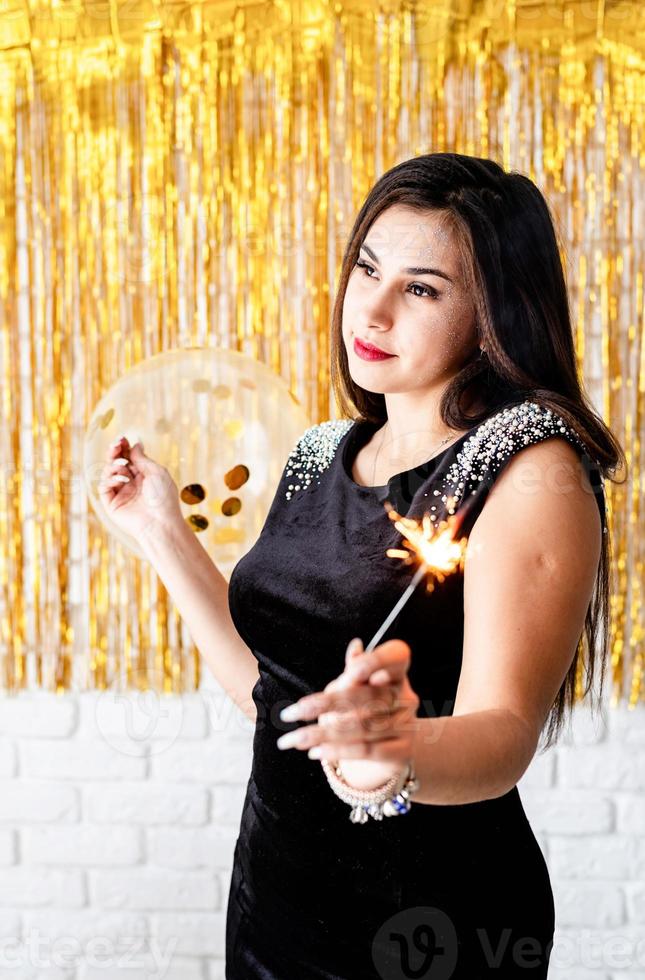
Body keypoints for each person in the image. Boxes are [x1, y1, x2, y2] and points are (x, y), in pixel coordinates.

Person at [99, 152, 625, 979]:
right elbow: (275, 700)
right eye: (366, 269)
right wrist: (163, 534)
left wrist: (391, 756)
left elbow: (505, 735)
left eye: (420, 289)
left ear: (492, 314)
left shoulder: (530, 464)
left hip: (427, 925)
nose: (371, 311)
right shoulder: (318, 453)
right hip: (274, 899)